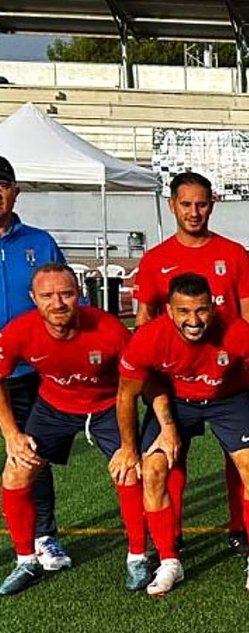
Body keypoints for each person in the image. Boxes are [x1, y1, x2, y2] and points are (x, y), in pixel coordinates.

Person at [117, 274, 249, 596]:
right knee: (154, 471)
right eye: (184, 312)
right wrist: (129, 448)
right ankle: (170, 560)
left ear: (212, 308)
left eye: (201, 310)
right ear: (170, 312)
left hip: (227, 399)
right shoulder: (148, 337)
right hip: (176, 402)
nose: (193, 320)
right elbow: (126, 395)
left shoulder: (236, 331)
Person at [133, 171, 249, 555]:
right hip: (176, 384)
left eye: (201, 204)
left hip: (228, 381)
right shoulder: (156, 260)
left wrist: (242, 359)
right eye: (186, 204)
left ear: (213, 204)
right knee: (170, 455)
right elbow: (143, 321)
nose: (194, 212)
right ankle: (170, 534)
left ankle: (240, 527)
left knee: (239, 458)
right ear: (172, 205)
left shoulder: (233, 253)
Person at [0, 264, 143, 595]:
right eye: (47, 296)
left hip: (108, 405)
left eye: (65, 294)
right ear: (33, 298)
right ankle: (26, 560)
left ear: (78, 293)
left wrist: (130, 443)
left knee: (129, 472)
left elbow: (133, 382)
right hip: (54, 407)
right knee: (15, 473)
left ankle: (137, 557)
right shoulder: (19, 332)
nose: (58, 303)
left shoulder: (107, 329)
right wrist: (12, 434)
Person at [0, 155, 71, 574]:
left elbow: (67, 300)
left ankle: (44, 536)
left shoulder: (39, 242)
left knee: (31, 454)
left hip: (27, 373)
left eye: (2, 185)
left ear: (15, 191)